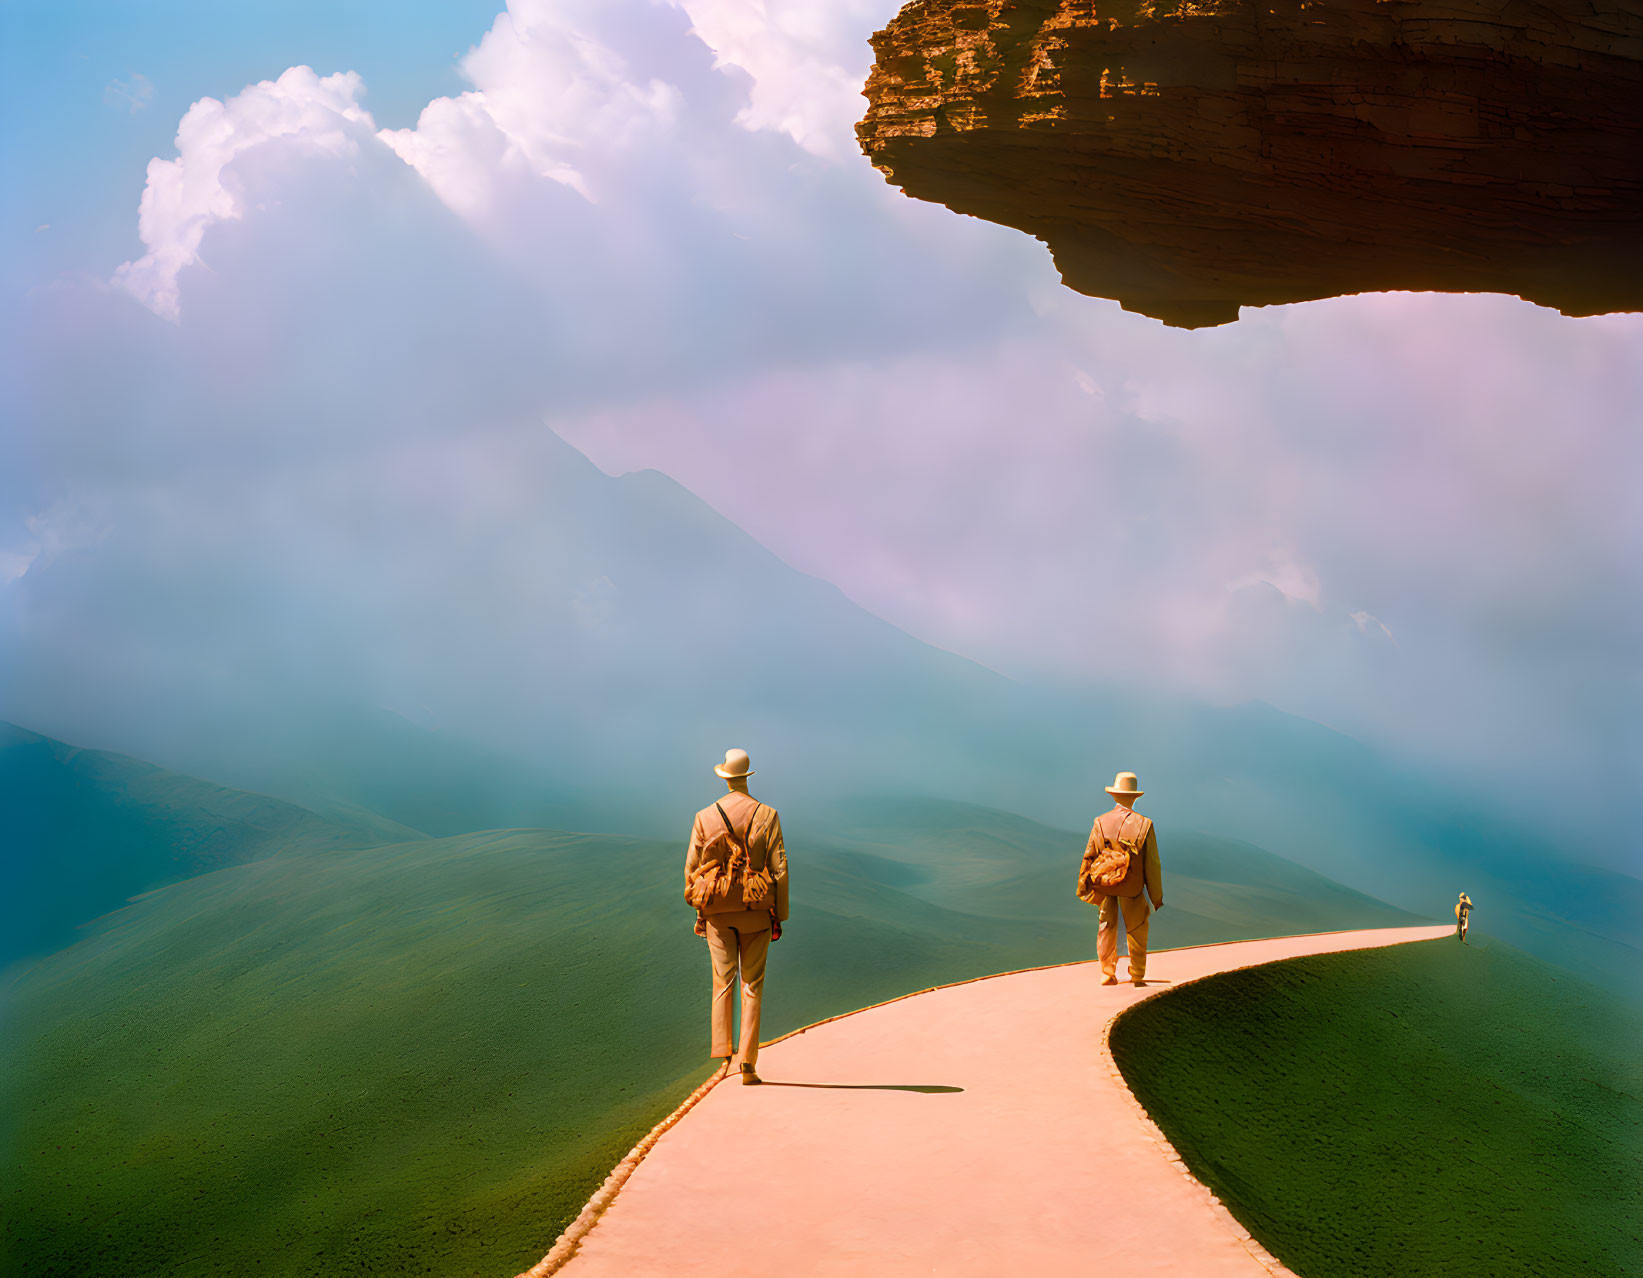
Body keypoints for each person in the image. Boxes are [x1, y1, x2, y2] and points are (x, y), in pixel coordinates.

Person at [685, 748, 789, 1086]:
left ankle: (722, 1052)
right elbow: (781, 869)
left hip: (717, 912)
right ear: (747, 776)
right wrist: (780, 915)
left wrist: (702, 911)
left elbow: (692, 871)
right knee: (752, 986)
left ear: (725, 777)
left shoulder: (704, 816)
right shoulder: (767, 815)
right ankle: (748, 1063)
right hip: (756, 911)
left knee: (722, 981)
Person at [1077, 770, 1164, 986]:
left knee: (1106, 925)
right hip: (1132, 886)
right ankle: (1137, 974)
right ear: (1134, 797)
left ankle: (1107, 973)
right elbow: (1152, 864)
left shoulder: (1100, 822)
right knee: (1137, 927)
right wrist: (1156, 896)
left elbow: (1091, 855)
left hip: (1106, 884)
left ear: (1115, 795)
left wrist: (1086, 887)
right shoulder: (1145, 825)